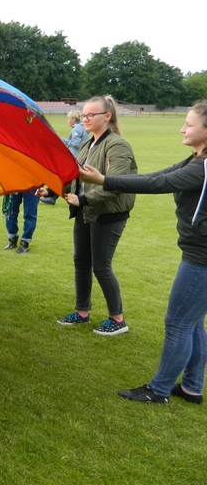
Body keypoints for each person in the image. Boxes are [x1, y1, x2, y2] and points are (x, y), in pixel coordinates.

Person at [79, 101, 207, 402]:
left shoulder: (201, 168)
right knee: (192, 323)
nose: (182, 129)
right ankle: (192, 387)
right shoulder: (195, 160)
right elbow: (155, 176)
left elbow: (160, 183)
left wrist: (104, 180)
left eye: (189, 124)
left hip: (201, 258)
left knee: (178, 323)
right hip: (197, 253)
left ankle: (159, 390)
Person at [48, 95, 137, 336]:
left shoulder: (117, 145)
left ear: (107, 116)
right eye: (84, 115)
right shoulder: (88, 144)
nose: (85, 119)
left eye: (90, 115)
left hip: (108, 215)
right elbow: (73, 176)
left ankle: (118, 319)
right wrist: (51, 190)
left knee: (101, 266)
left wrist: (84, 200)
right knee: (81, 262)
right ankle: (82, 313)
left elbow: (115, 184)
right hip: (85, 212)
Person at [41, 110, 88, 205]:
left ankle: (52, 196)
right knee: (67, 179)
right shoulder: (82, 128)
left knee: (64, 178)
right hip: (80, 158)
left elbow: (76, 144)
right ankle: (53, 196)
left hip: (75, 158)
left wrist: (60, 139)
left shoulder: (77, 129)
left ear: (73, 119)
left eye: (69, 118)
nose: (68, 121)